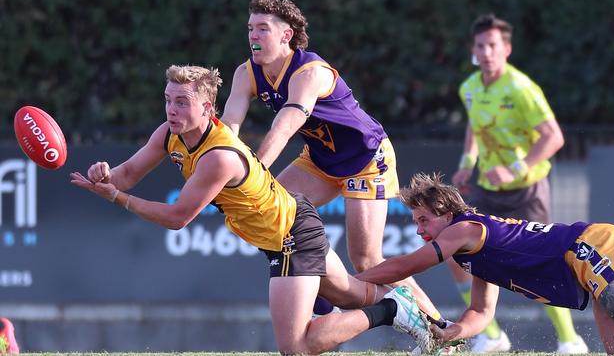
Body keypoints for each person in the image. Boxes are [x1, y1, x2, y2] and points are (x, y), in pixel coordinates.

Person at [70, 65, 436, 354]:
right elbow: (128, 174)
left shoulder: (218, 157)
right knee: (350, 293)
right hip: (293, 222)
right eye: (168, 99)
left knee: (295, 346)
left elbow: (178, 217)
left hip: (291, 236)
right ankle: (412, 313)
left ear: (207, 108)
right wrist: (106, 175)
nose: (172, 109)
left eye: (182, 101)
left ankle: (392, 312)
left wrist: (118, 198)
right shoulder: (170, 133)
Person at [220, 0, 439, 320]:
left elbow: (286, 125)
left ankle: (441, 330)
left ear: (286, 35)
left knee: (368, 261)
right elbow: (229, 126)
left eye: (263, 28)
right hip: (321, 162)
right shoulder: (246, 73)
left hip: (366, 160)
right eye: (250, 27)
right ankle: (323, 304)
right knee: (267, 215)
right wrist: (218, 165)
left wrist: (255, 171)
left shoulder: (311, 72)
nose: (253, 35)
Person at [358, 172, 614, 354]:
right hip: (585, 259)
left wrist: (349, 281)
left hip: (592, 247)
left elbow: (404, 267)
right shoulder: (472, 251)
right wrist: (451, 332)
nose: (420, 229)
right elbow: (481, 311)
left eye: (424, 219)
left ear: (447, 214)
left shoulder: (462, 230)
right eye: (416, 222)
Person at [449, 14, 586, 353]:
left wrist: (516, 168)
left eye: (493, 45)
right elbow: (475, 128)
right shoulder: (469, 88)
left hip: (526, 191)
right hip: (486, 190)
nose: (487, 52)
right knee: (459, 255)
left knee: (542, 265)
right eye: (481, 46)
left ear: (506, 49)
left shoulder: (522, 88)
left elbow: (553, 138)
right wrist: (468, 163)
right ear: (473, 50)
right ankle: (491, 335)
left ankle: (570, 341)